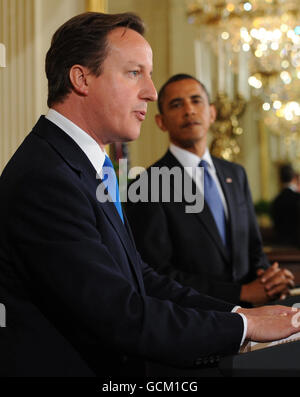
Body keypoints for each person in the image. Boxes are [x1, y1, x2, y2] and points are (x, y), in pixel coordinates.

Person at [0, 13, 298, 378]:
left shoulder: (81, 164)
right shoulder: (46, 178)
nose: (152, 92)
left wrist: (238, 314)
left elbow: (140, 277)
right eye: (133, 72)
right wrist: (246, 329)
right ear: (81, 79)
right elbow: (118, 314)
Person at [125, 74, 294, 307]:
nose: (189, 110)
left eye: (196, 101)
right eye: (176, 104)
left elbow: (254, 250)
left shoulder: (236, 174)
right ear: (161, 121)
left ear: (212, 113)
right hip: (197, 321)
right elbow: (157, 273)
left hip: (255, 319)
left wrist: (269, 279)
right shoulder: (148, 184)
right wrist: (239, 293)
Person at [271, 164, 300, 247]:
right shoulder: (297, 198)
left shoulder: (276, 200)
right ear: (294, 178)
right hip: (296, 246)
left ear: (280, 179)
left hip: (280, 245)